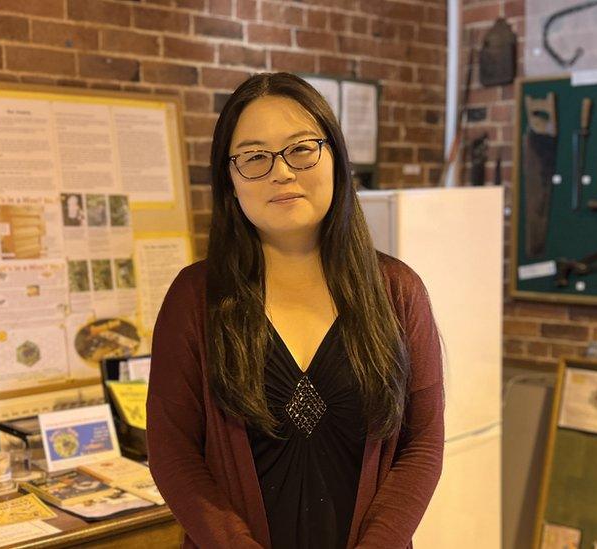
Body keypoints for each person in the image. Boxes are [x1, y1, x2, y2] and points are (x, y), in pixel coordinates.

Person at [146, 72, 444, 549]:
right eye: (255, 157)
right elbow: (172, 451)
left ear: (335, 158)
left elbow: (422, 446)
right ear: (230, 178)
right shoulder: (195, 297)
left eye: (301, 148)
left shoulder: (398, 292)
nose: (281, 171)